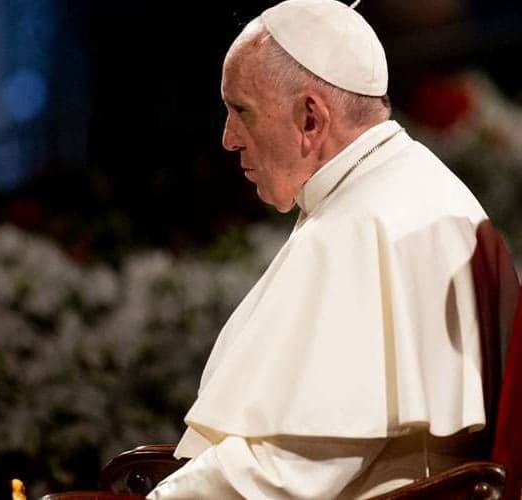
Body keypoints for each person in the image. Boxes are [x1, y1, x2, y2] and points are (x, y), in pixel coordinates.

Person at [146, 0, 520, 498]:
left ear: (310, 118)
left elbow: (288, 473)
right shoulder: (406, 187)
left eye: (241, 111)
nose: (228, 139)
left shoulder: (364, 224)